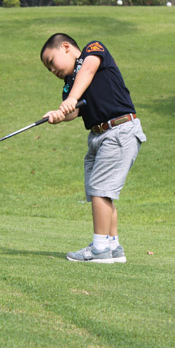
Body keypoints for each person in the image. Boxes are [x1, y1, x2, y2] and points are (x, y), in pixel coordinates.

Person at [40, 33, 146, 263]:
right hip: (98, 136)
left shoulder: (93, 50)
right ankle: (113, 246)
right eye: (48, 69)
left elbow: (87, 71)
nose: (52, 70)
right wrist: (59, 116)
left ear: (66, 47)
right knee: (102, 193)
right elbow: (74, 111)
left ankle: (99, 249)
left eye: (51, 62)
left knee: (101, 189)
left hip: (118, 130)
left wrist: (71, 99)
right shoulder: (69, 84)